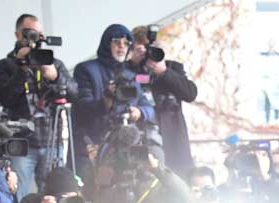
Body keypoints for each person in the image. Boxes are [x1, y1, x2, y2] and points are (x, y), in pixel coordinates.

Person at [0, 13, 77, 199]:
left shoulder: (53, 64)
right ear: (18, 35)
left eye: (38, 34)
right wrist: (21, 70)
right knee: (17, 198)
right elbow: (5, 98)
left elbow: (74, 93)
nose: (35, 39)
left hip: (51, 141)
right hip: (20, 145)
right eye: (29, 33)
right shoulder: (5, 66)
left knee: (55, 198)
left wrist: (56, 77)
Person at [72, 24, 155, 185]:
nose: (122, 47)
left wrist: (139, 112)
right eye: (117, 42)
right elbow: (82, 109)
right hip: (92, 147)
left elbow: (150, 108)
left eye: (126, 43)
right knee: (92, 196)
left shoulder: (131, 75)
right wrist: (107, 98)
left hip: (123, 150)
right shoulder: (86, 69)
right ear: (106, 44)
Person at [129, 25, 198, 175]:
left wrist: (164, 72)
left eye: (151, 48)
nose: (148, 53)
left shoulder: (172, 68)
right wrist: (132, 63)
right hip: (142, 140)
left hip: (172, 140)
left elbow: (190, 94)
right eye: (142, 49)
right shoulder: (129, 70)